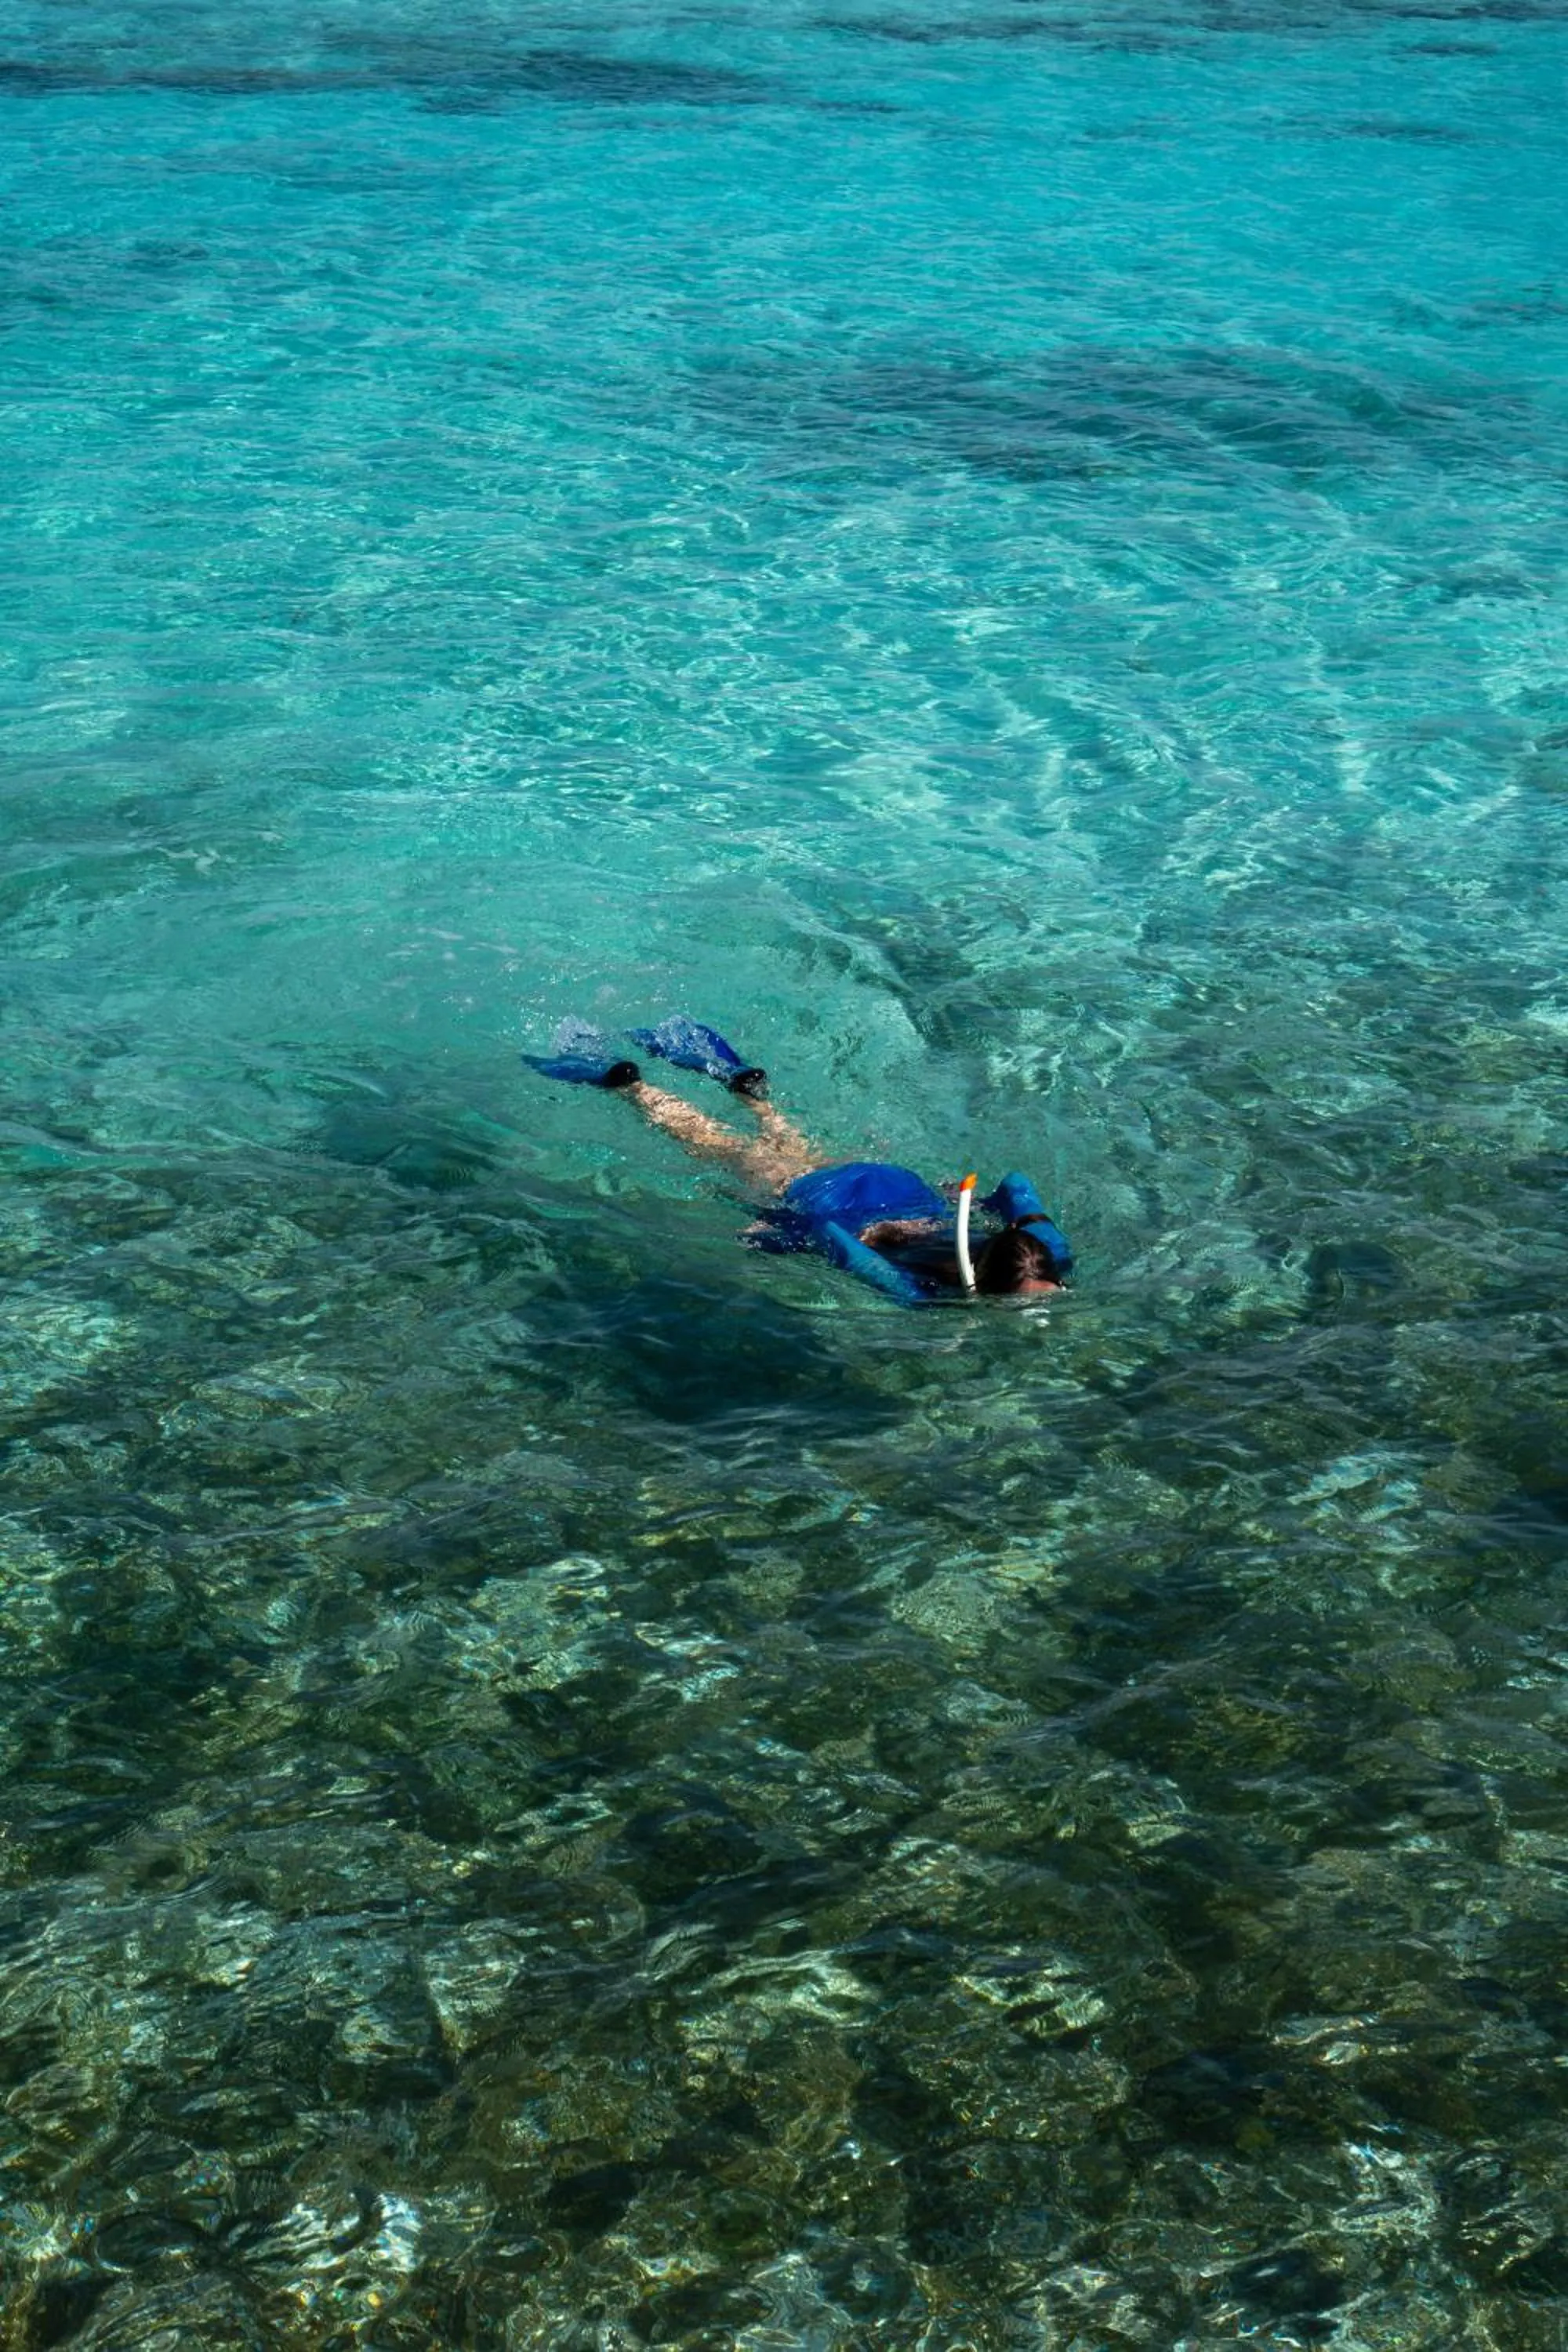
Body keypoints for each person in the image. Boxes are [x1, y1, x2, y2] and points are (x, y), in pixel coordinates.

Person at [524, 1015, 1072, 1306]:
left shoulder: (1046, 1251)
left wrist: (975, 1201)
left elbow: (1017, 1182)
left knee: (797, 1149)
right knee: (716, 1144)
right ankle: (632, 1087)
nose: (1046, 1303)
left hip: (890, 1182)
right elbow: (835, 1239)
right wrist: (774, 1234)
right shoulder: (916, 1293)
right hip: (825, 1199)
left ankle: (755, 1098)